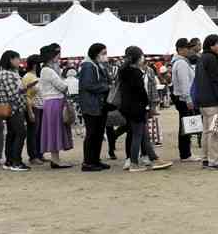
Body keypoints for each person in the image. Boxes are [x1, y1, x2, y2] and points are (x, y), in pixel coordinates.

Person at [119, 46, 172, 172]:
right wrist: (147, 103)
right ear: (138, 57)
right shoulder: (136, 72)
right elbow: (141, 92)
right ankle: (134, 163)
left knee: (143, 135)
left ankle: (154, 158)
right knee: (138, 135)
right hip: (137, 107)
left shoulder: (123, 71)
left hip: (128, 107)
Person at [193, 35, 218, 170]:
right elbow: (217, 80)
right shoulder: (212, 58)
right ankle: (214, 160)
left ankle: (205, 159)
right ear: (211, 45)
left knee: (207, 132)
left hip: (203, 101)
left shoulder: (201, 58)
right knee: (216, 132)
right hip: (212, 100)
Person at [38, 44, 74, 168]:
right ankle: (55, 159)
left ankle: (56, 159)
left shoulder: (46, 69)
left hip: (51, 102)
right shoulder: (48, 70)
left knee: (54, 130)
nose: (59, 57)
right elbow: (62, 86)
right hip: (54, 101)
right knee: (55, 130)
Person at [78, 43, 112, 171]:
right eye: (103, 53)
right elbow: (88, 85)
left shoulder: (98, 65)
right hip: (91, 105)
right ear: (96, 53)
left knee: (98, 134)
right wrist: (106, 87)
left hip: (98, 105)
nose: (105, 56)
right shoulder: (88, 66)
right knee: (92, 134)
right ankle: (88, 162)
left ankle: (95, 160)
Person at [0, 51, 30, 171]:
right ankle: (16, 162)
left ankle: (10, 161)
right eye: (17, 59)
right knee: (20, 133)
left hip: (9, 108)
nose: (19, 61)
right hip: (13, 108)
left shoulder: (7, 73)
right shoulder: (7, 74)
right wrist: (24, 89)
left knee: (12, 134)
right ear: (11, 59)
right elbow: (13, 95)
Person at [171, 38, 201, 162]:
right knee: (186, 125)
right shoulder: (181, 63)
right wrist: (188, 99)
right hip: (183, 98)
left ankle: (186, 152)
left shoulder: (181, 61)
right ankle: (185, 153)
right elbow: (184, 83)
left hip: (182, 97)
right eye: (187, 48)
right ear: (181, 49)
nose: (189, 50)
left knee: (185, 125)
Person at [22, 54, 45, 165]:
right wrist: (30, 111)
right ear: (35, 65)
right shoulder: (28, 77)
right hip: (33, 107)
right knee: (33, 132)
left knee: (39, 132)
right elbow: (27, 95)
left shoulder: (36, 76)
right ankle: (33, 156)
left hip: (40, 106)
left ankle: (39, 154)